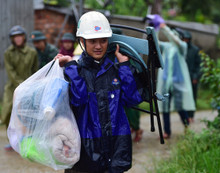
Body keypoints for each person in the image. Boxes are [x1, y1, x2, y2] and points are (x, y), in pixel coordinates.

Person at [55, 11, 143, 173]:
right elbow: (79, 99)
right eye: (92, 41)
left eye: (103, 40)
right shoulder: (75, 70)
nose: (98, 46)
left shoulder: (117, 70)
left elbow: (133, 99)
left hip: (116, 145)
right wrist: (71, 68)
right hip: (87, 148)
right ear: (82, 41)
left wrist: (124, 66)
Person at [147, 15, 195, 139]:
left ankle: (186, 124)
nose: (173, 36)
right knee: (165, 107)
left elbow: (176, 40)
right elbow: (156, 43)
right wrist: (154, 29)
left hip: (177, 82)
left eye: (174, 35)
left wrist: (164, 28)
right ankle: (167, 131)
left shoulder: (182, 47)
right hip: (166, 82)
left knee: (180, 106)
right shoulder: (167, 47)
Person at [1, 25, 38, 150]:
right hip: (12, 88)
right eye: (15, 37)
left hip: (29, 88)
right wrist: (21, 85)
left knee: (26, 114)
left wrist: (32, 86)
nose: (17, 39)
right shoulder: (8, 53)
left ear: (24, 37)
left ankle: (26, 139)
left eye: (19, 36)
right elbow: (11, 72)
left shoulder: (32, 52)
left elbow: (35, 71)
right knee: (7, 113)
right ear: (12, 39)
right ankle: (12, 140)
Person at [181, 30, 201, 123]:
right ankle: (185, 115)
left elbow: (199, 65)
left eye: (187, 39)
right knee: (184, 96)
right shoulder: (181, 49)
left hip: (192, 77)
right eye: (184, 39)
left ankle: (191, 115)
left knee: (192, 96)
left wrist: (195, 77)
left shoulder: (195, 50)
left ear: (189, 40)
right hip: (183, 77)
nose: (185, 41)